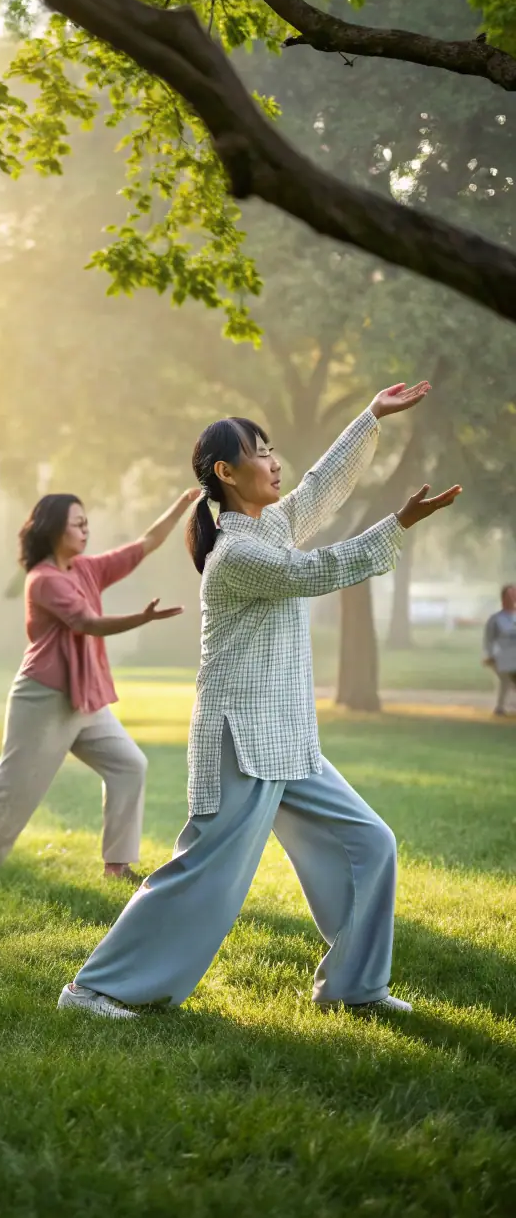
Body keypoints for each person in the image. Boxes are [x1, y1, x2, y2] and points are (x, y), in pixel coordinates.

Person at [57, 382, 462, 1020]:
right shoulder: (237, 553)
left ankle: (355, 988)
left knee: (370, 842)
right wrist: (400, 524)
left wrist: (369, 417)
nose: (275, 463)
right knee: (206, 875)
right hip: (239, 742)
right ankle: (94, 989)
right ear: (227, 472)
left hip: (288, 738)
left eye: (274, 451)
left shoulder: (270, 523)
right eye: (262, 453)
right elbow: (318, 572)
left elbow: (320, 491)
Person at [0, 488, 199, 881]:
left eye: (87, 523)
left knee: (128, 766)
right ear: (53, 530)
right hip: (44, 697)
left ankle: (117, 867)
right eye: (78, 524)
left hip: (84, 696)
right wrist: (142, 619)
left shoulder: (86, 569)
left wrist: (184, 504)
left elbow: (145, 543)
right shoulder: (42, 579)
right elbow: (86, 623)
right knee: (14, 785)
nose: (86, 530)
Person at [482, 584, 516, 716]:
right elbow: (489, 639)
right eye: (509, 595)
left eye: (514, 595)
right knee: (506, 679)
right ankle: (500, 707)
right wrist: (490, 655)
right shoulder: (496, 619)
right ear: (503, 598)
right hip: (501, 656)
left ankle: (507, 705)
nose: (512, 598)